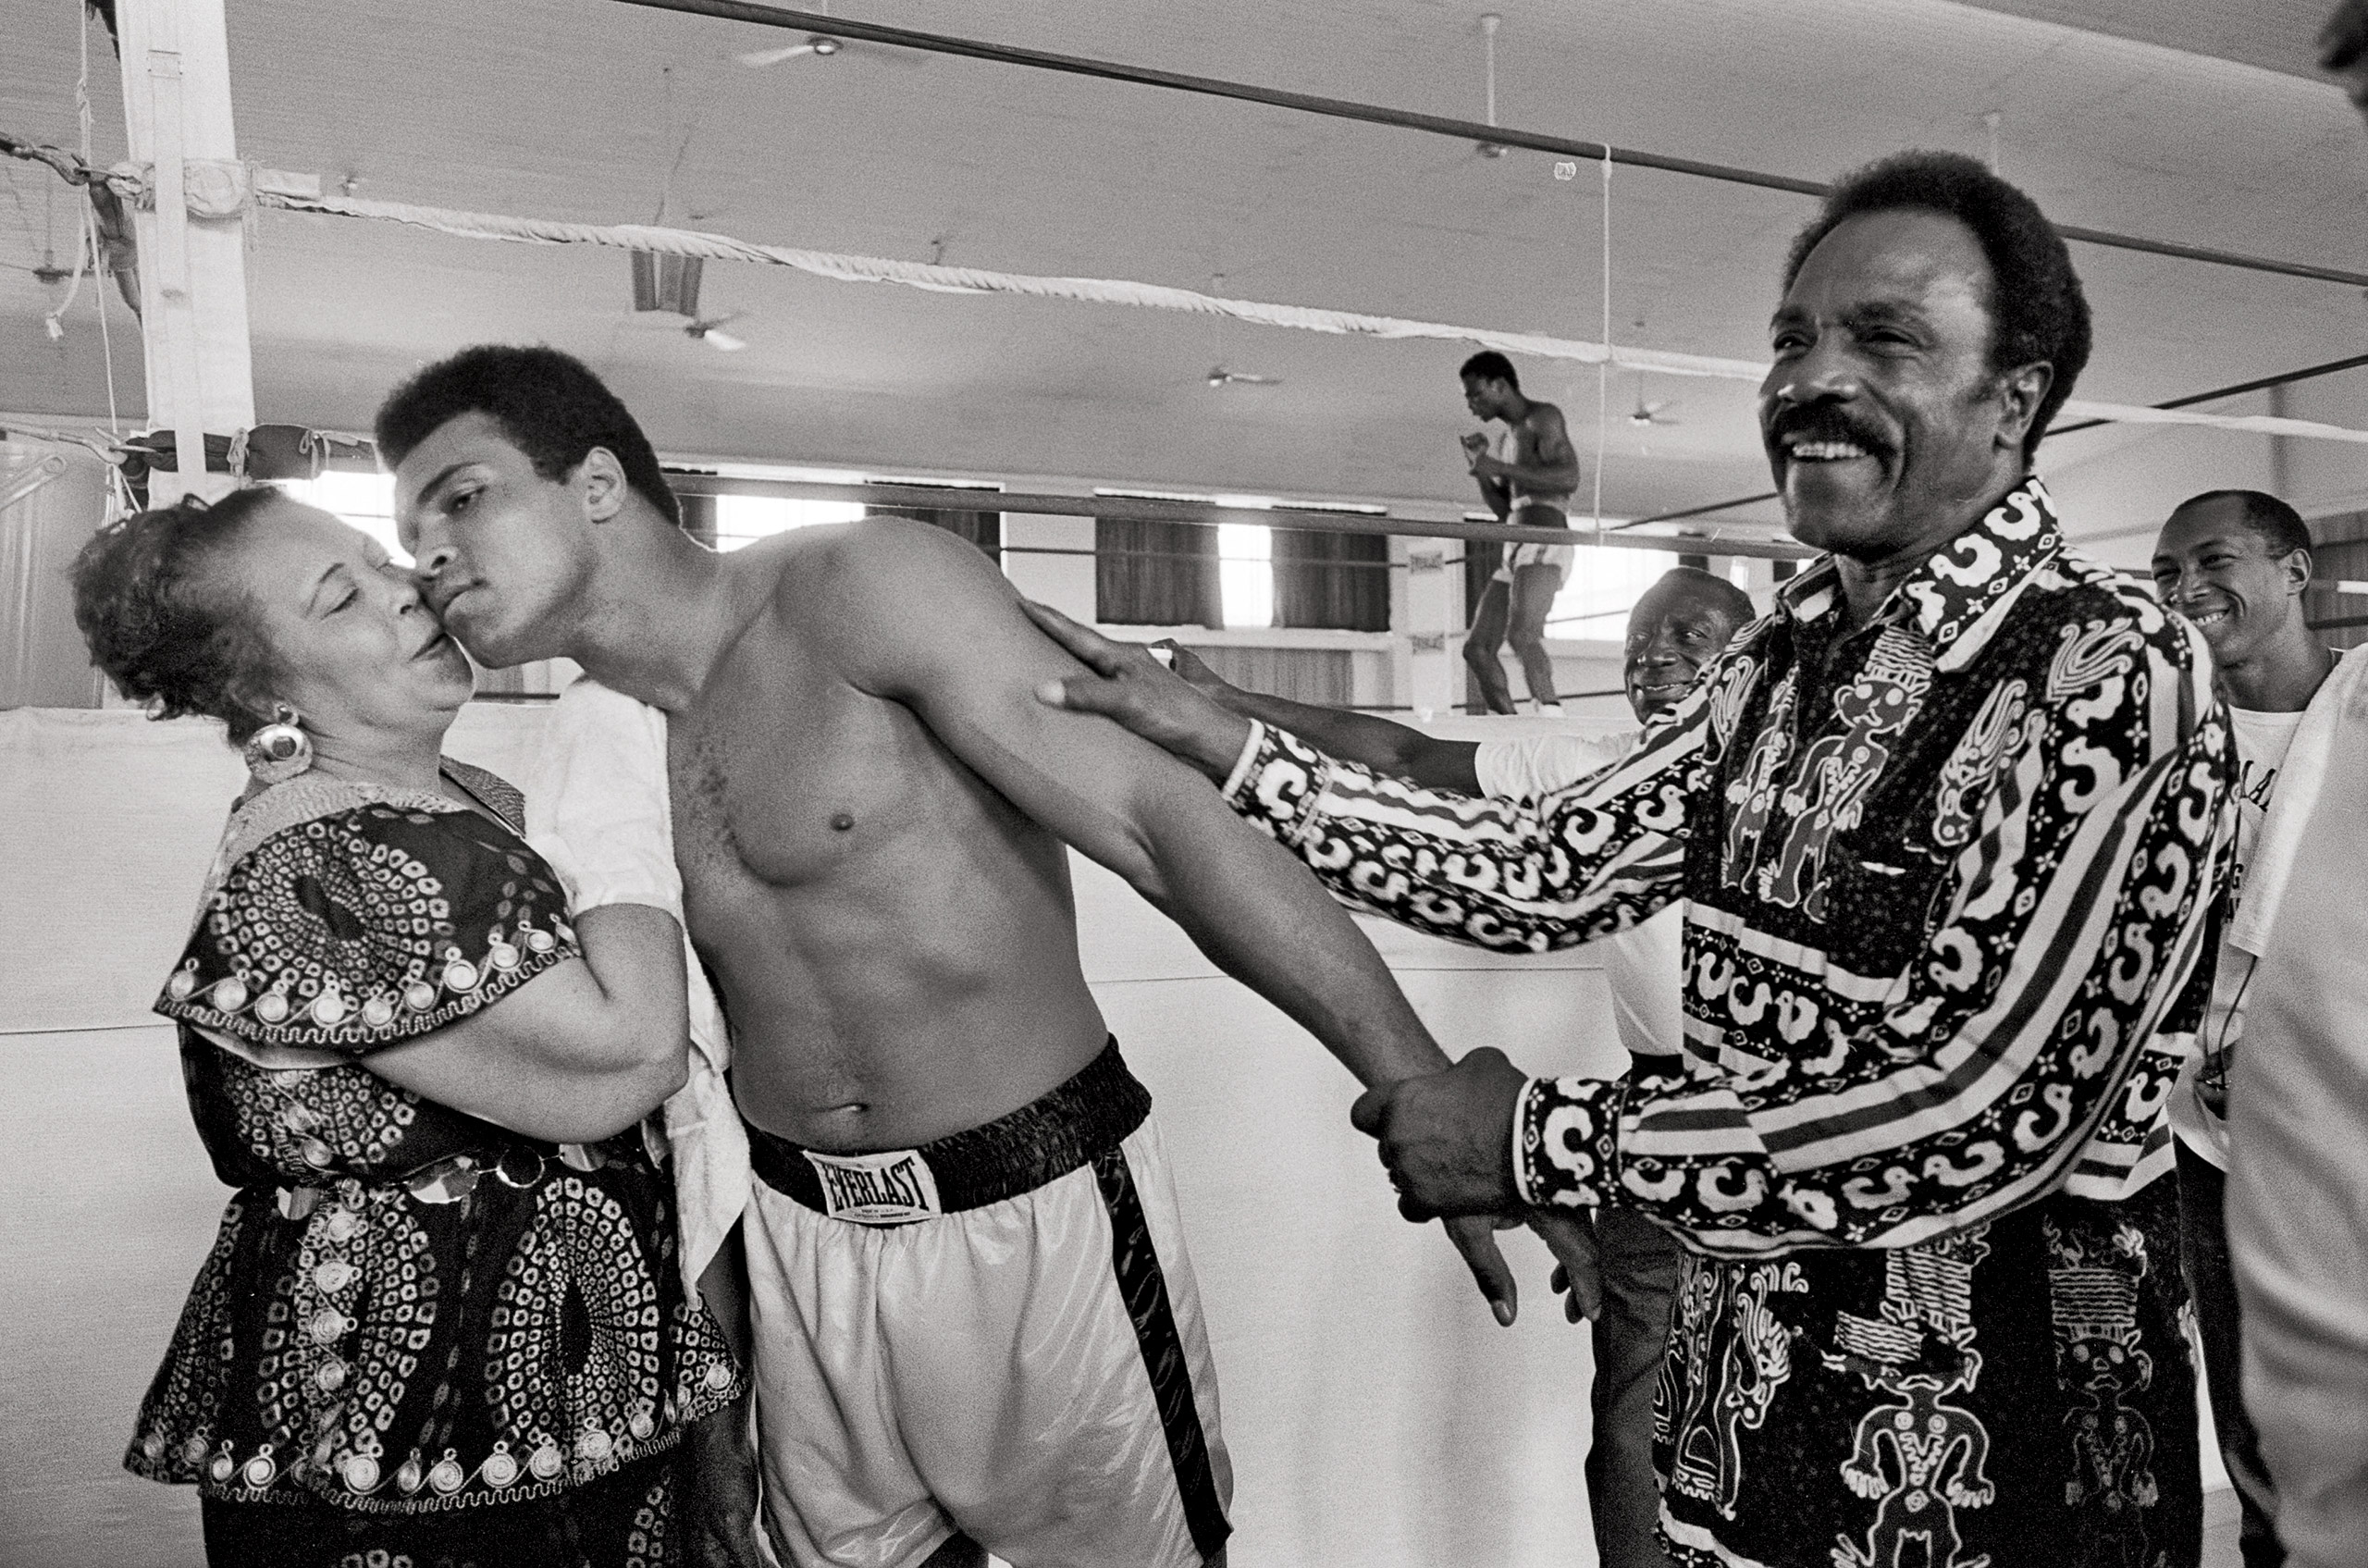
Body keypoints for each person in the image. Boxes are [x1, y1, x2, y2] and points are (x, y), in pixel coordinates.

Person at [1028, 150, 2234, 1568]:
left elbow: (1972, 1111)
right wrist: (1224, 741)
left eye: (1885, 338)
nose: (1810, 378)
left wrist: (1535, 1136)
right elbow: (1546, 863)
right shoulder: (1781, 660)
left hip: (1988, 1477)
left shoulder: (2105, 664)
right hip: (1746, 1443)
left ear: (2015, 395)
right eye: (1793, 338)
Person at [373, 346, 1586, 1568]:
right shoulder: (596, 734)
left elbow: (1164, 826)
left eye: (462, 496)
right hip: (805, 1249)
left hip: (1040, 1223)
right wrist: (722, 1374)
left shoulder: (860, 585)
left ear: (592, 483)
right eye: (406, 521)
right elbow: (665, 1085)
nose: (427, 546)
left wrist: (1422, 1082)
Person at [68, 488, 746, 1567]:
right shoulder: (332, 858)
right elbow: (629, 1058)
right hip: (428, 1437)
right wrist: (613, 745)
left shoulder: (457, 805)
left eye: (382, 562)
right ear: (257, 688)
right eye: (343, 598)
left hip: (570, 1403)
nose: (405, 589)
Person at [1154, 562, 1754, 1568]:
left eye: (1689, 638)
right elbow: (1409, 755)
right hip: (1656, 1118)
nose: (1655, 658)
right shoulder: (1598, 771)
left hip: (1807, 1118)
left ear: (1750, 660)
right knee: (1635, 1415)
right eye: (1640, 643)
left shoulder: (1820, 789)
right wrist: (1223, 704)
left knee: (1808, 1401)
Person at [2150, 490, 2334, 1568]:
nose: (2183, 589)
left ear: (2296, 570)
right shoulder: (2166, 736)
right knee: (2252, 1411)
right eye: (2165, 571)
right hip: (2198, 1132)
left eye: (2211, 559)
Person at [1459, 350, 1582, 715]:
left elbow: (1568, 478)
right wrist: (1482, 469)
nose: (1471, 404)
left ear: (1499, 385)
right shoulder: (1507, 438)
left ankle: (1552, 717)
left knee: (1523, 634)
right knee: (1477, 649)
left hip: (1547, 537)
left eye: (1476, 393)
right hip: (1515, 543)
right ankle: (1510, 726)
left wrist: (1498, 466)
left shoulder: (1543, 417)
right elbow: (1505, 509)